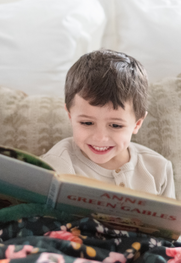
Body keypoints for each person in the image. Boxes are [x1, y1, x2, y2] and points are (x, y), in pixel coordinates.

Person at [41, 49, 175, 198]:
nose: (100, 138)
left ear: (137, 124)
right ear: (70, 116)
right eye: (87, 122)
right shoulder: (58, 163)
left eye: (116, 125)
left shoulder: (158, 168)